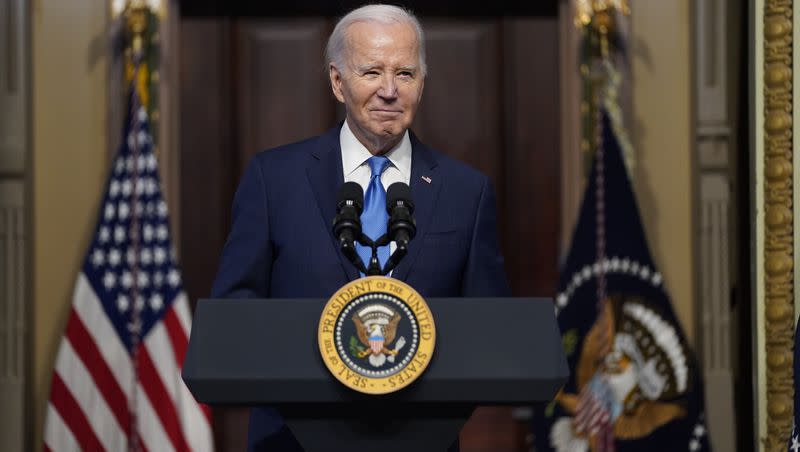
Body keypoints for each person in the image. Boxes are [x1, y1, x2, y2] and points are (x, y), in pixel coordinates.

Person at [210, 4, 511, 451]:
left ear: (422, 83)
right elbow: (235, 317)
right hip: (294, 441)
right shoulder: (273, 180)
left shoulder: (467, 192)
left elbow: (492, 331)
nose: (389, 90)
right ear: (337, 81)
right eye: (372, 71)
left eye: (405, 74)